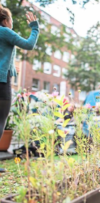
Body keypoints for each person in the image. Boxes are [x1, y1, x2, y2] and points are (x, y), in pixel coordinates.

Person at [0, 4, 39, 172]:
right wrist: (34, 27)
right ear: (6, 20)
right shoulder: (5, 31)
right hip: (1, 84)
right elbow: (29, 44)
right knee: (0, 120)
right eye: (12, 21)